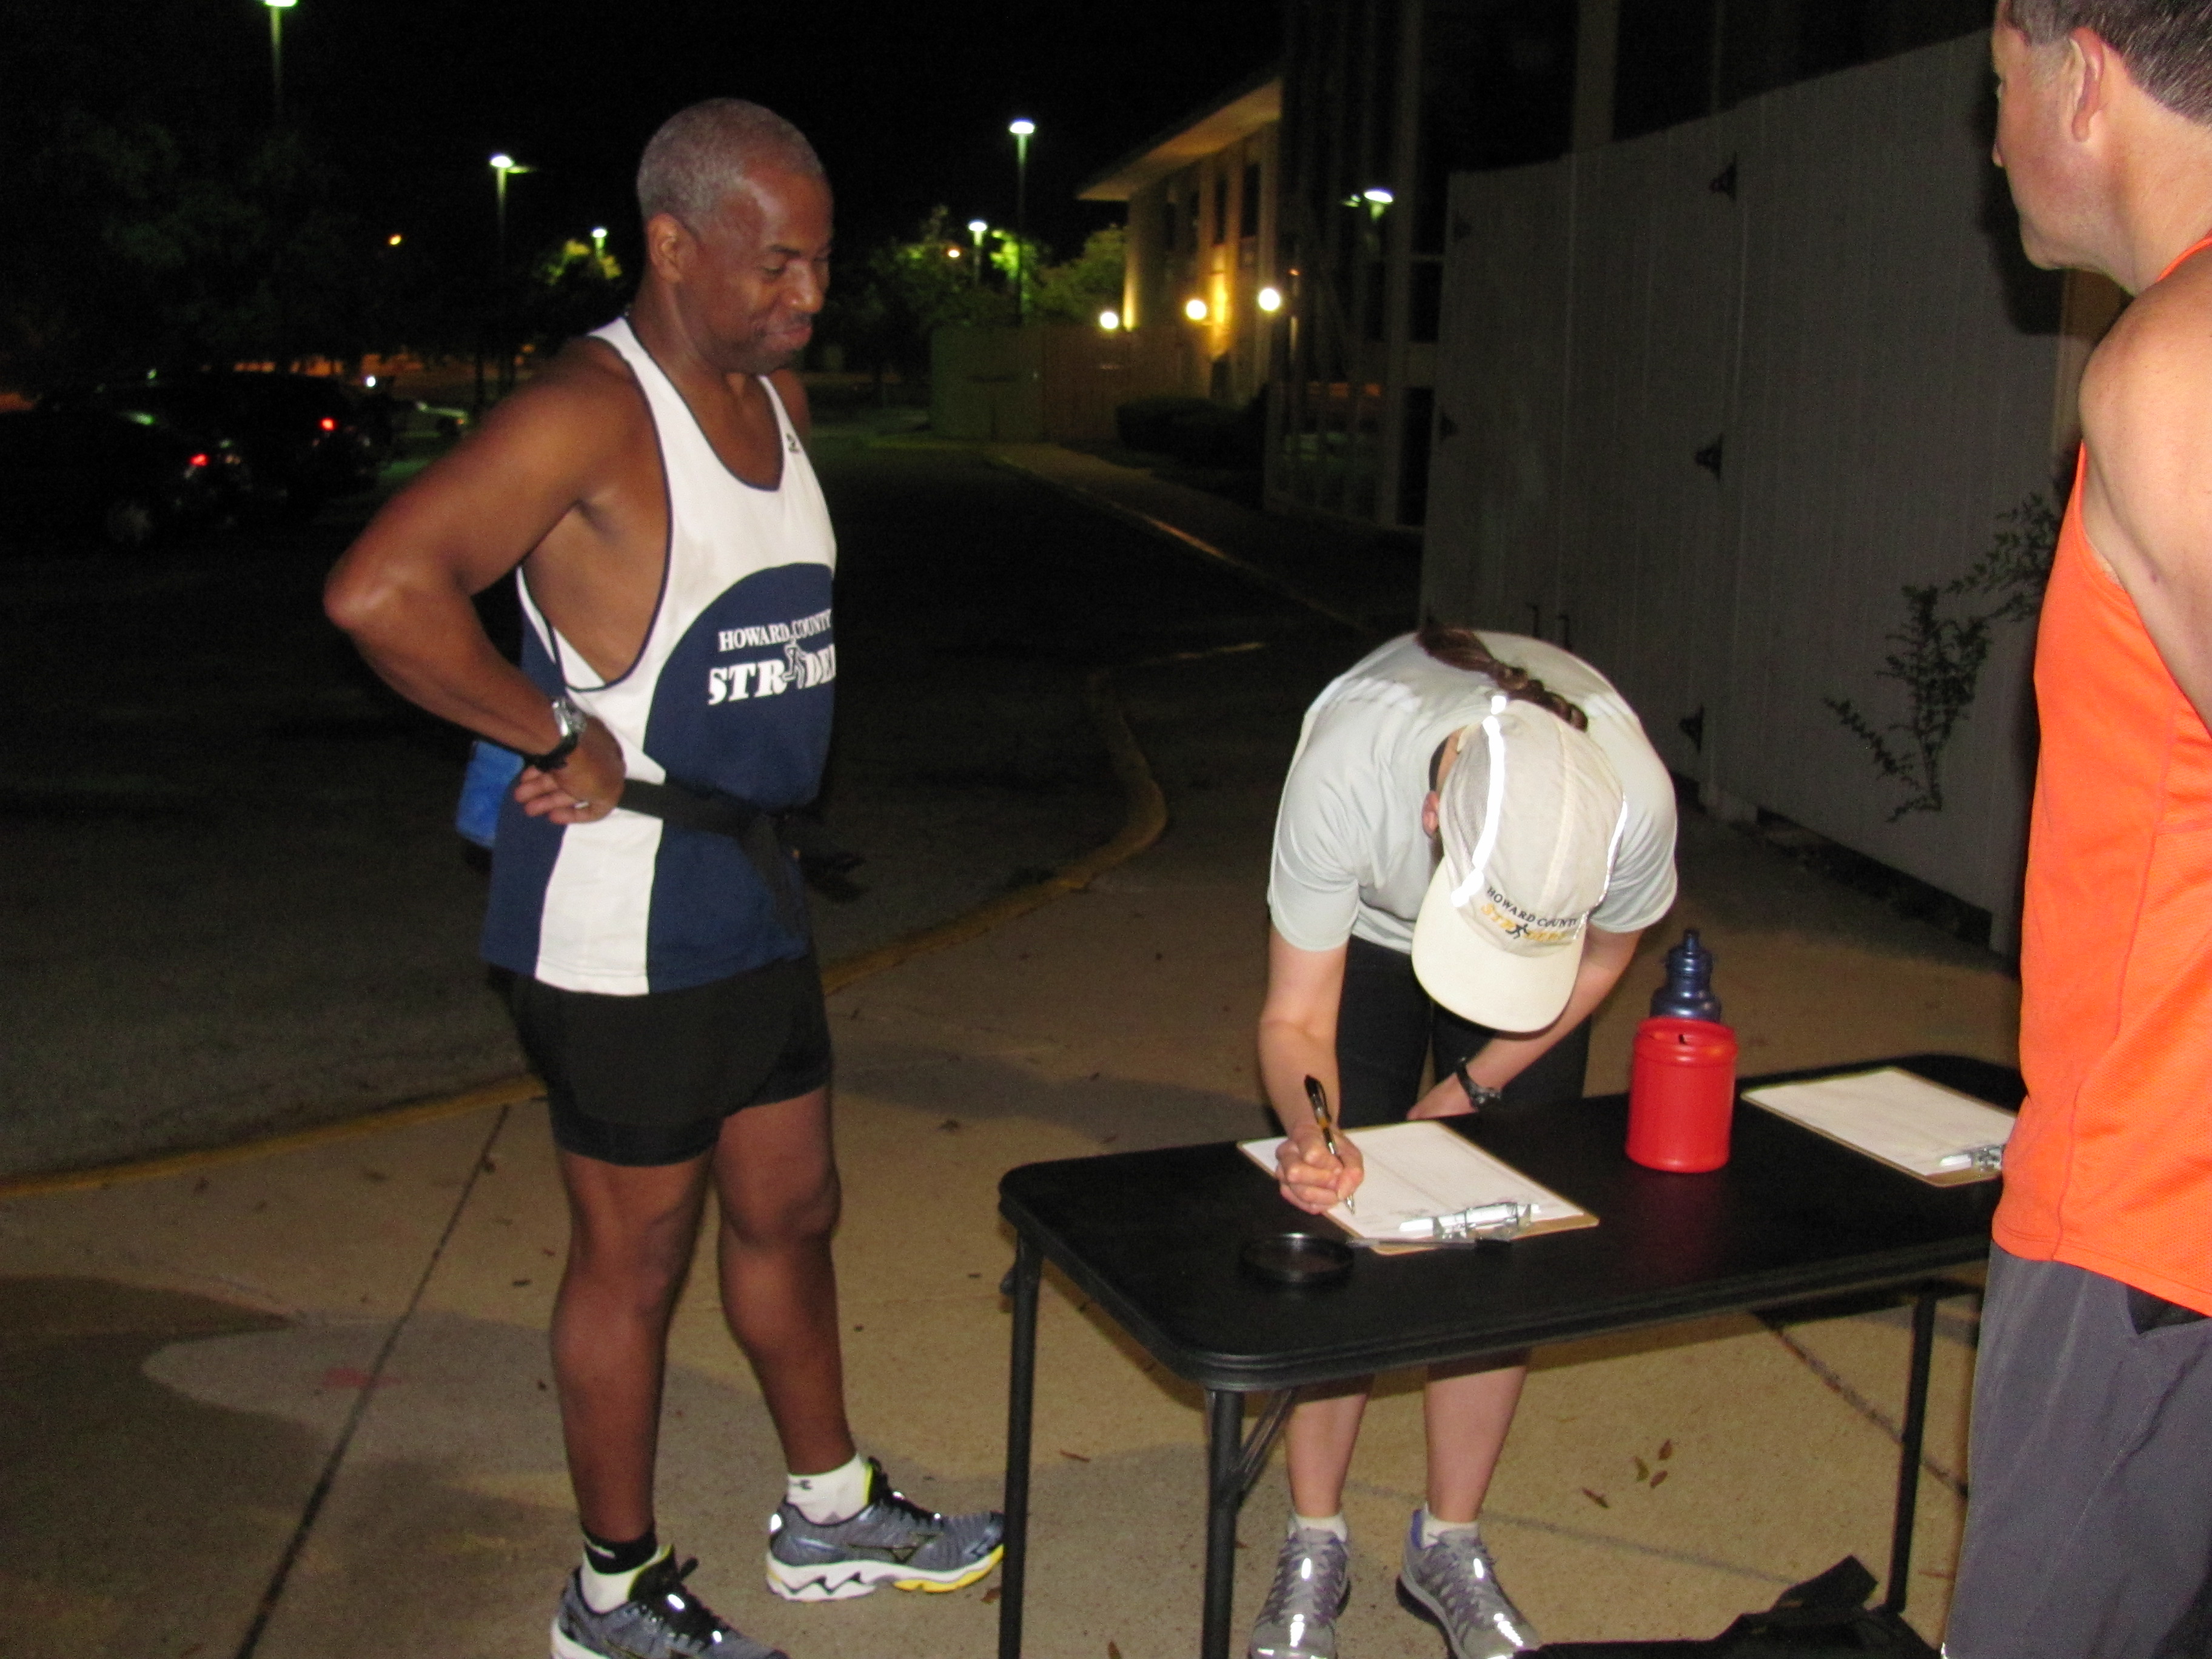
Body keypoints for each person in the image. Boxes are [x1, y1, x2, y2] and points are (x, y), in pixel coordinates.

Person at [323, 100, 1000, 1659]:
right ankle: (610, 1594)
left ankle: (829, 1513)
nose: (808, 295)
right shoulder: (589, 410)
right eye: (777, 266)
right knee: (633, 1261)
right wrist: (550, 728)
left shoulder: (779, 397)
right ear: (674, 246)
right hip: (618, 912)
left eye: (821, 263)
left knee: (793, 1207)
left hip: (750, 890)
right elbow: (379, 589)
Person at [1250, 622, 1678, 1659]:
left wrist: (1476, 1084)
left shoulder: (1631, 803)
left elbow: (1599, 961)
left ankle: (1446, 1541)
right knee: (1337, 1226)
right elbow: (1295, 1017)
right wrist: (1315, 1133)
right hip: (1371, 932)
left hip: (1545, 972)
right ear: (1434, 814)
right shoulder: (1349, 768)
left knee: (1503, 1237)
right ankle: (1315, 1533)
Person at [1945, 6, 2212, 1655]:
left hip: (2155, 1235)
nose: (1993, 144)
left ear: (2084, 79)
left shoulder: (2177, 364)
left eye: (2001, 89)